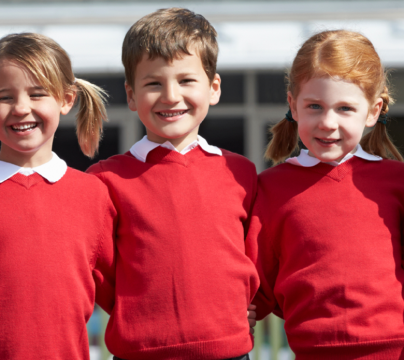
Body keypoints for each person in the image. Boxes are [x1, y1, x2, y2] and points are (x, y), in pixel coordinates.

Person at [87, 8, 259, 360]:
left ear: (213, 89)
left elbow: (255, 255)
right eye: (153, 83)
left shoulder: (240, 172)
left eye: (186, 80)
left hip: (227, 350)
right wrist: (138, 317)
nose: (170, 96)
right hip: (140, 352)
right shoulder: (105, 180)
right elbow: (99, 271)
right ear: (131, 95)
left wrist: (248, 304)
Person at [246, 29, 404, 359]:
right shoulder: (272, 188)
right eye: (315, 106)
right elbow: (259, 281)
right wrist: (245, 309)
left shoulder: (396, 181)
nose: (327, 123)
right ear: (293, 105)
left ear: (373, 111)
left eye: (345, 108)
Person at [0, 32, 116, 360]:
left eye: (37, 94)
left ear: (66, 100)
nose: (21, 108)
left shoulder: (93, 195)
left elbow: (125, 292)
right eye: (4, 96)